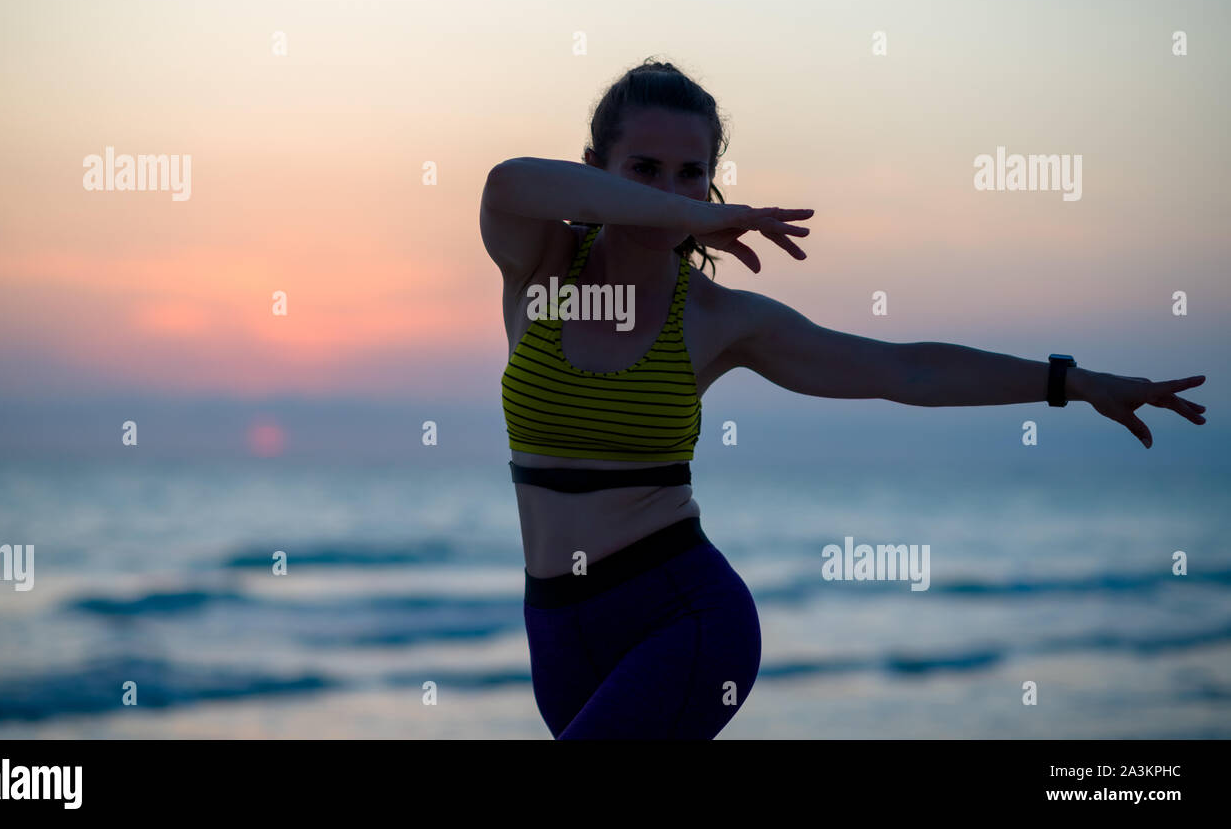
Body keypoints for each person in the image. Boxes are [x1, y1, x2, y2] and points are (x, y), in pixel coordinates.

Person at [479, 58, 1208, 739]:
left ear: (714, 181)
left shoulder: (720, 319)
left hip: (684, 616)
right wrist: (698, 221)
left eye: (691, 175)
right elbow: (508, 183)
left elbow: (905, 372)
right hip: (556, 627)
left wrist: (1069, 382)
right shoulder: (540, 267)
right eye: (644, 169)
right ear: (594, 170)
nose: (669, 195)